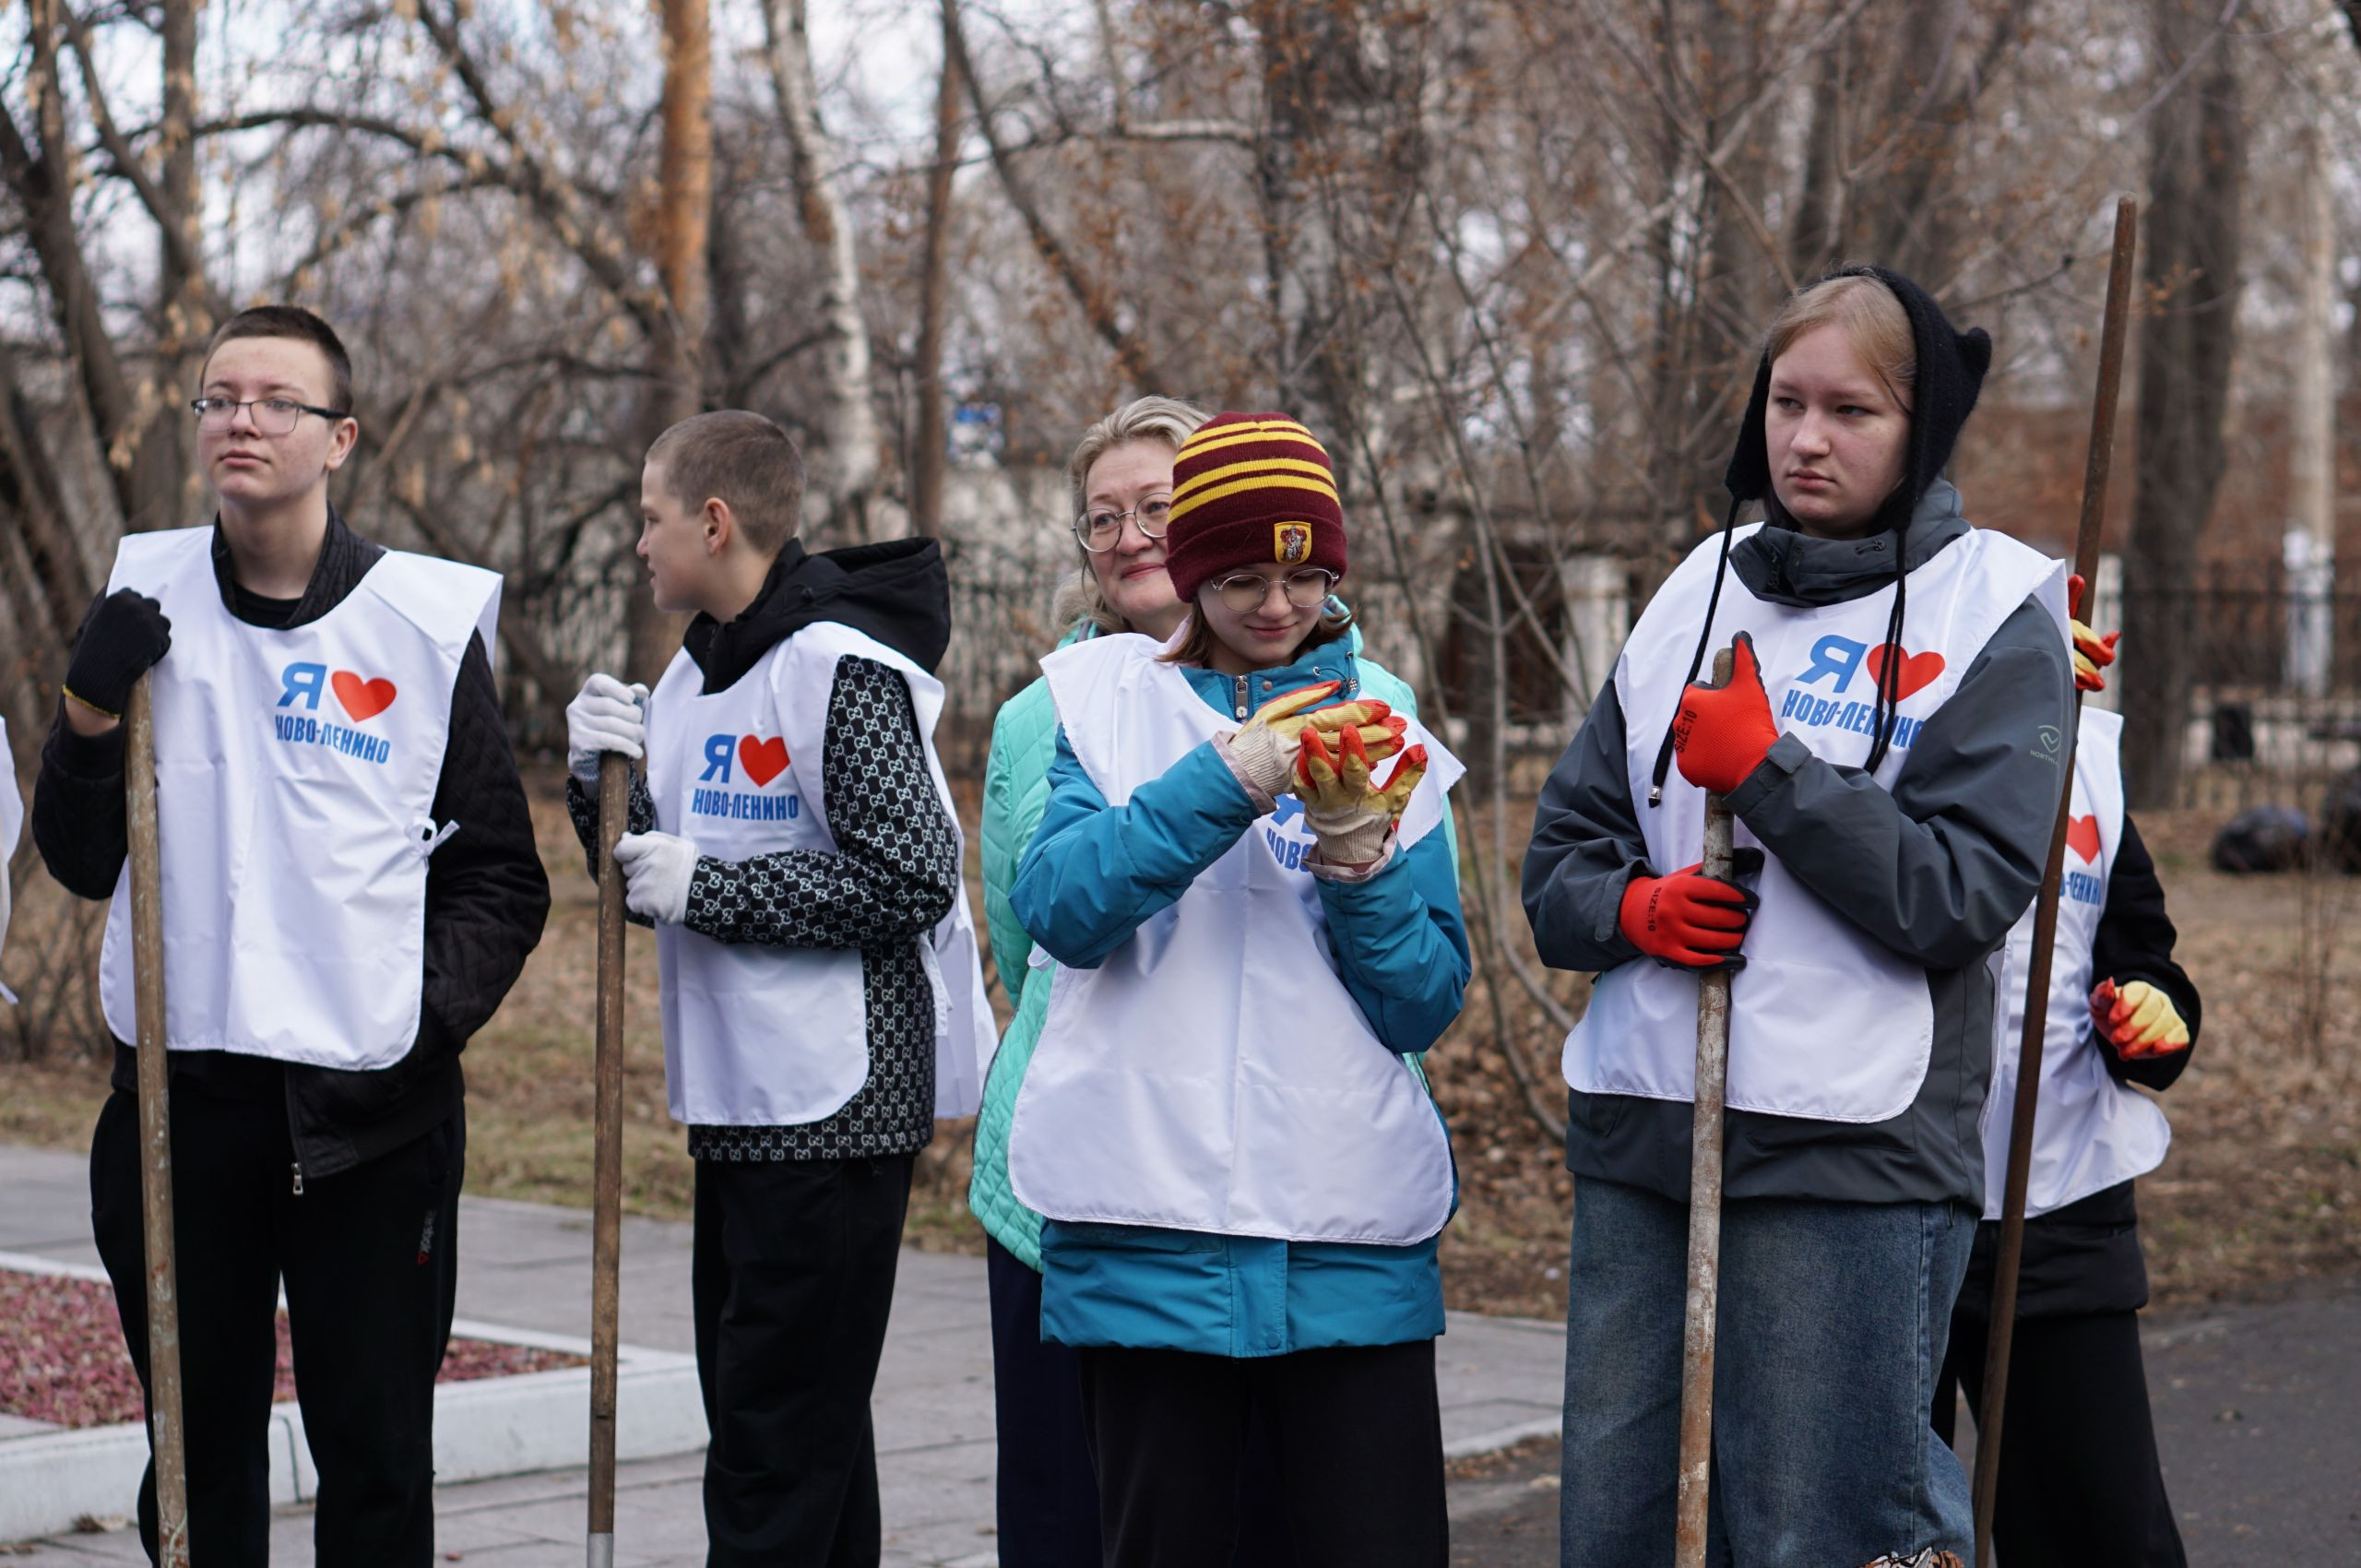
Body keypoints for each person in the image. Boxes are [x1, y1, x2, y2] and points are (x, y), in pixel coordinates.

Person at [1522, 269, 2074, 1565]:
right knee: (1623, 1525)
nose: (1808, 439)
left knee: (1821, 1531)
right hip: (1653, 1133)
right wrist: (1639, 906)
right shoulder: (1693, 593)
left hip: (1853, 1157)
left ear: (1920, 428)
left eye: (1853, 411)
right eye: (1787, 403)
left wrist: (1774, 774)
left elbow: (1961, 894)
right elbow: (1560, 861)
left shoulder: (1992, 615)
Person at [30, 304, 551, 1564]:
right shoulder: (143, 602)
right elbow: (80, 858)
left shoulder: (420, 629)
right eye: (218, 398)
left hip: (368, 1124)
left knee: (374, 1457)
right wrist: (90, 715)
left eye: (275, 401)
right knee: (199, 1462)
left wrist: (409, 1020)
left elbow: (500, 877)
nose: (241, 420)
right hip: (178, 1110)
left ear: (340, 439)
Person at [968, 396, 1444, 1565]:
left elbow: (1423, 997)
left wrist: (1362, 863)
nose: (1277, 607)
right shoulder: (1098, 706)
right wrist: (1226, 777)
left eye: (1305, 579)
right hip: (1148, 1243)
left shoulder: (1378, 719)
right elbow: (1059, 911)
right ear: (1190, 576)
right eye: (1239, 579)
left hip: (1348, 1244)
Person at [563, 410, 992, 1567]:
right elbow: (654, 868)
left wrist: (716, 890)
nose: (639, 544)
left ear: (715, 520)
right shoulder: (696, 667)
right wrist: (597, 786)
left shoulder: (838, 665)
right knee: (804, 1436)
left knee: (768, 1443)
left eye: (651, 519)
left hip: (835, 1105)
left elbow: (907, 872)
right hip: (743, 1100)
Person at [1933, 600, 2197, 1565]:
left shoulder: (2084, 758)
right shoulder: (1872, 723)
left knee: (2101, 1533)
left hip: (2055, 1205)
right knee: (1875, 1535)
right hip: (1872, 1200)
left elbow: (2141, 947)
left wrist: (2152, 1011)